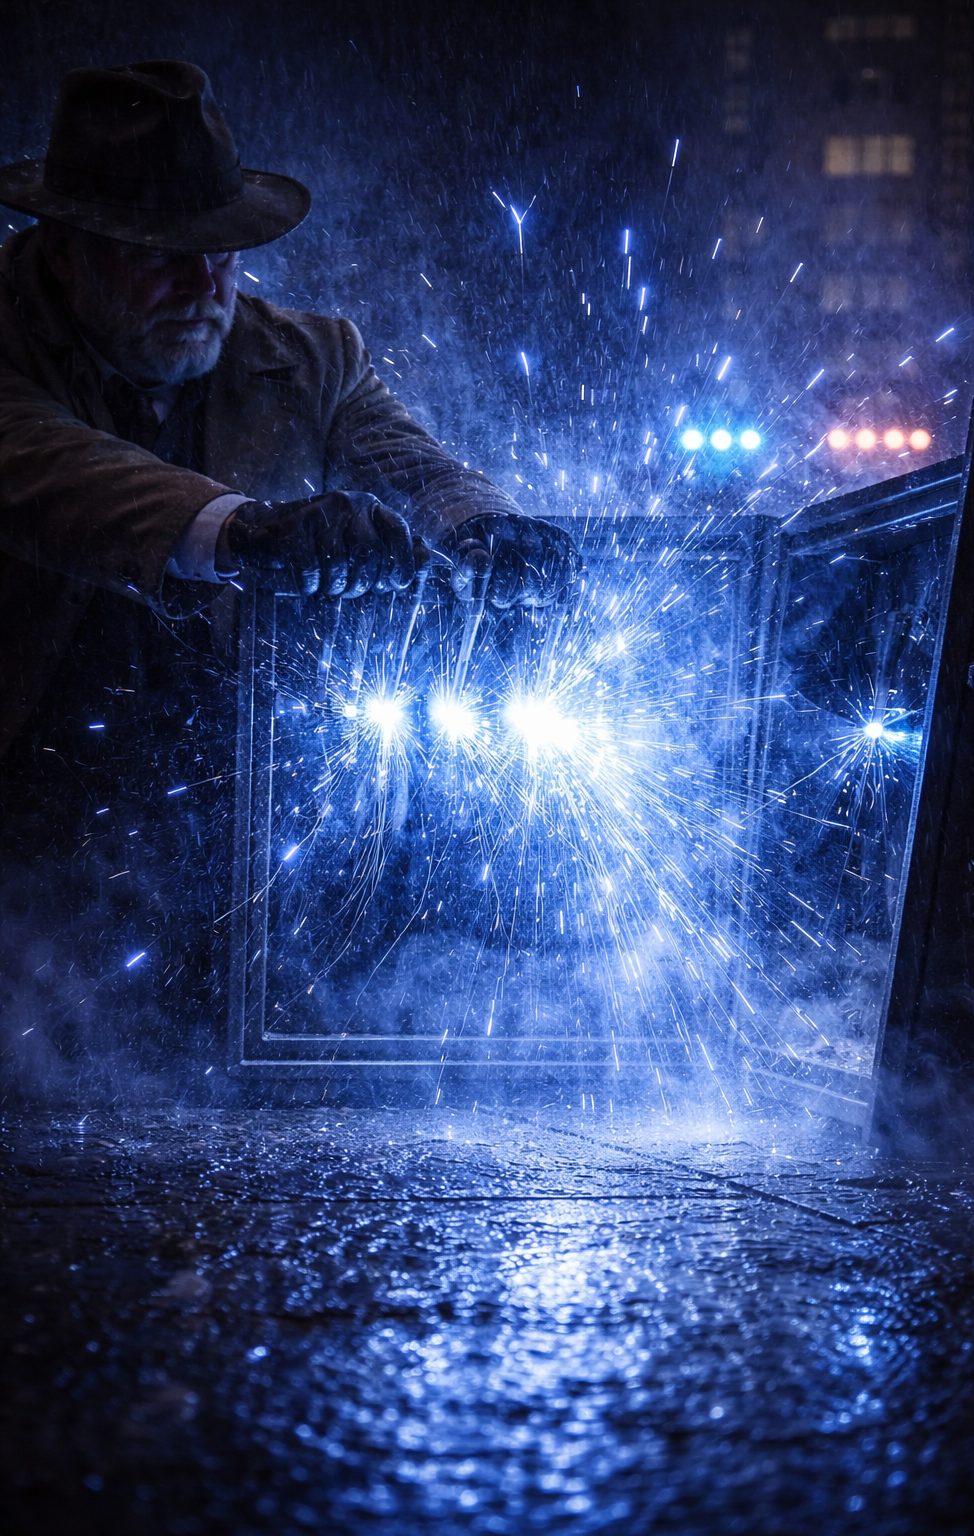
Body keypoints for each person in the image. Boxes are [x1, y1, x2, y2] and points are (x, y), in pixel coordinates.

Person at [0, 61, 578, 1073]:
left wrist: (487, 526)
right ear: (65, 250)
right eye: (161, 255)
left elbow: (407, 462)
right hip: (27, 819)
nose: (204, 285)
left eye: (223, 252)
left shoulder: (311, 357)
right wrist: (241, 529)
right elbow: (51, 467)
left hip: (234, 836)